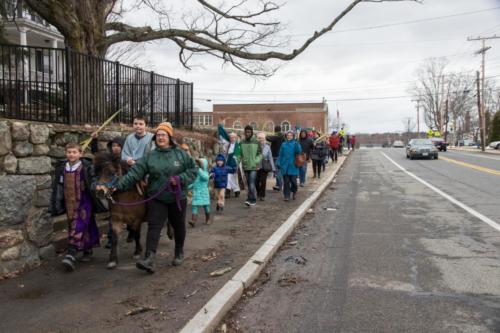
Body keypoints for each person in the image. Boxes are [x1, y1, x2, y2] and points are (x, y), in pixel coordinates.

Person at [108, 122, 197, 273]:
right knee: (154, 226)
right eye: (158, 135)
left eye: (164, 135)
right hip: (157, 196)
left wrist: (180, 178)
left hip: (177, 197)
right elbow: (135, 173)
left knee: (178, 225)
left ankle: (179, 251)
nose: (160, 138)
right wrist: (119, 186)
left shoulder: (181, 154)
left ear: (170, 137)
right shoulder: (150, 156)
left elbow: (193, 170)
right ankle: (149, 258)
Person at [51, 143, 104, 272]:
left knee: (78, 225)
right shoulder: (63, 168)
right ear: (65, 153)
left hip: (84, 201)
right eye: (69, 152)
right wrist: (56, 203)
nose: (72, 154)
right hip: (69, 203)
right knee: (79, 225)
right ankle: (87, 249)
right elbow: (58, 186)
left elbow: (92, 181)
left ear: (80, 154)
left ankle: (71, 254)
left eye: (74, 152)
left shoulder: (86, 167)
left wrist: (96, 187)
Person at [121, 115, 154, 242]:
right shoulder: (129, 138)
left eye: (141, 124)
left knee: (150, 187)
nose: (138, 126)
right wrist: (128, 159)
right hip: (130, 168)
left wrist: (139, 163)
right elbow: (124, 153)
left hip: (145, 168)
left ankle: (151, 212)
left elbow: (152, 154)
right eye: (135, 124)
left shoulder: (151, 138)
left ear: (146, 125)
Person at [240, 125, 262, 207]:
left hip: (253, 166)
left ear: (251, 132)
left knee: (251, 183)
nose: (247, 133)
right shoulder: (241, 142)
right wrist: (237, 161)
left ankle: (251, 199)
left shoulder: (256, 142)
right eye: (246, 132)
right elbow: (239, 153)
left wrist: (255, 161)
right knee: (248, 184)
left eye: (249, 132)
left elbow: (260, 154)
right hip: (245, 166)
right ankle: (250, 198)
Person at [278, 131, 302, 201]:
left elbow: (299, 151)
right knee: (286, 182)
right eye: (288, 135)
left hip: (293, 166)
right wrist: (279, 163)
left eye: (291, 135)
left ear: (293, 136)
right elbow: (280, 154)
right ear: (286, 136)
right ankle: (286, 196)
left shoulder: (295, 143)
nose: (289, 136)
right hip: (285, 166)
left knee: (293, 181)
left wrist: (297, 143)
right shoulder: (283, 144)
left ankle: (294, 191)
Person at [189, 158, 211, 226]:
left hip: (204, 193)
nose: (197, 166)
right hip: (196, 193)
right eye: (197, 164)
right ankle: (193, 221)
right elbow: (195, 183)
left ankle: (208, 219)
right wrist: (188, 187)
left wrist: (199, 170)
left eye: (199, 164)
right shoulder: (197, 174)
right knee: (194, 206)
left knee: (206, 206)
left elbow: (205, 178)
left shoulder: (205, 173)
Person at [256, 132, 275, 201]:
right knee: (256, 181)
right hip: (256, 166)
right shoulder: (255, 146)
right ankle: (258, 192)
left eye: (262, 138)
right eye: (259, 138)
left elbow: (270, 157)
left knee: (263, 181)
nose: (261, 140)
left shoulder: (267, 147)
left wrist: (273, 168)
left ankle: (262, 195)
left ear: (265, 139)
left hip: (264, 166)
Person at [266, 125, 284, 191]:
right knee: (278, 171)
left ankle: (279, 185)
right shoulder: (282, 136)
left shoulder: (278, 136)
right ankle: (278, 185)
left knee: (277, 171)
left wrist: (265, 135)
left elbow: (268, 138)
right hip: (280, 156)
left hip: (276, 156)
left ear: (275, 130)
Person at [225, 132, 241, 198]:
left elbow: (237, 156)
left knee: (234, 178)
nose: (232, 139)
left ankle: (237, 190)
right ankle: (228, 191)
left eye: (233, 137)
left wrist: (236, 165)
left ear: (236, 138)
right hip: (228, 163)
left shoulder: (238, 146)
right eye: (231, 137)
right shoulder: (228, 145)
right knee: (228, 177)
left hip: (235, 163)